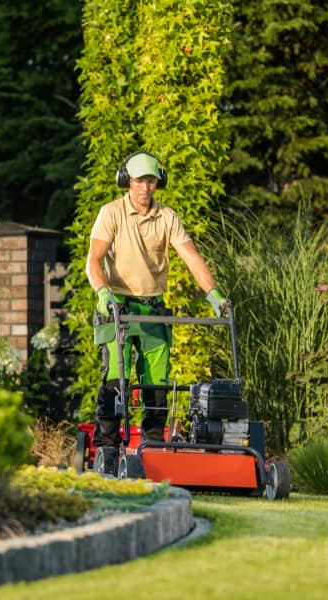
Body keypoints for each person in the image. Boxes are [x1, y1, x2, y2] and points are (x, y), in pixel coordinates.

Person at [85, 150, 229, 453]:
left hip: (153, 309)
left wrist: (214, 295)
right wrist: (102, 292)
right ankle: (107, 448)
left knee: (156, 385)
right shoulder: (111, 213)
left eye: (150, 181)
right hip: (118, 308)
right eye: (139, 181)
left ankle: (151, 447)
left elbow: (191, 257)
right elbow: (94, 260)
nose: (145, 187)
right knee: (115, 380)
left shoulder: (167, 217)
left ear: (158, 182)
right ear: (127, 181)